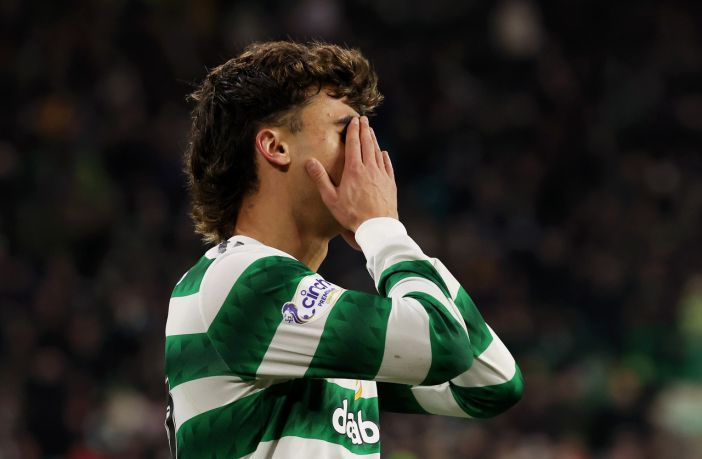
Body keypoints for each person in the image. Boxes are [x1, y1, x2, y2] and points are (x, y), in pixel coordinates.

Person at [164, 41, 524, 458]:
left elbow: (491, 384)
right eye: (346, 131)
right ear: (276, 147)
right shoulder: (239, 281)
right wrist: (383, 229)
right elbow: (444, 342)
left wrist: (383, 234)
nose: (367, 155)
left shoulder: (295, 325)